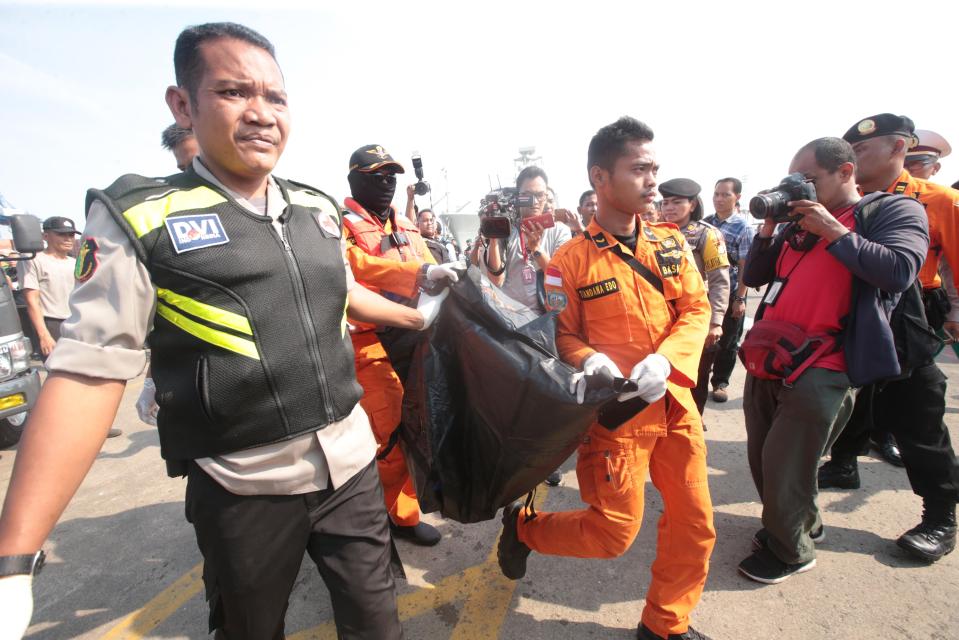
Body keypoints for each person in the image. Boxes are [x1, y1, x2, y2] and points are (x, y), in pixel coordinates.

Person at [0, 22, 450, 639]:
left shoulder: (315, 208)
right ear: (183, 105)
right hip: (244, 489)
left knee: (379, 626)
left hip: (350, 471)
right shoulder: (140, 216)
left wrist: (420, 314)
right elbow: (85, 373)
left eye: (276, 98)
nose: (262, 114)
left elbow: (342, 292)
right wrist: (14, 561)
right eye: (235, 92)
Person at [497, 116, 715, 640]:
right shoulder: (569, 262)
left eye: (654, 168)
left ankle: (665, 624)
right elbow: (563, 335)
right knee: (612, 533)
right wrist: (589, 358)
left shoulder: (670, 244)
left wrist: (666, 360)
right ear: (600, 177)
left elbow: (696, 306)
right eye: (639, 169)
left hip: (675, 403)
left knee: (695, 525)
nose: (652, 180)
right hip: (616, 416)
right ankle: (525, 528)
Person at [738, 136, 928, 583]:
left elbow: (900, 270)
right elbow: (756, 277)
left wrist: (833, 229)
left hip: (828, 362)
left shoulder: (891, 211)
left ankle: (791, 551)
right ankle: (800, 524)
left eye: (808, 179)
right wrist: (771, 225)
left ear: (845, 173)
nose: (798, 189)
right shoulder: (799, 222)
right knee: (765, 458)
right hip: (772, 354)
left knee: (788, 464)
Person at [818, 114, 959, 562]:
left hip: (909, 309)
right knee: (855, 400)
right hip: (849, 307)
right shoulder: (843, 199)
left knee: (916, 411)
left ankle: (940, 516)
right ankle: (843, 465)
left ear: (899, 147)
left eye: (860, 150)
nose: (852, 159)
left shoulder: (936, 199)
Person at [342, 144, 460, 547]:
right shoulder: (337, 226)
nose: (388, 183)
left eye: (392, 175)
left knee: (423, 422)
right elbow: (356, 267)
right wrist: (420, 272)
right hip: (369, 342)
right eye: (377, 176)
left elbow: (428, 265)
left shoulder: (407, 225)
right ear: (355, 180)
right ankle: (397, 516)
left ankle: (406, 499)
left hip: (417, 338)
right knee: (390, 429)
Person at [137, 124, 204, 427]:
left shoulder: (284, 214)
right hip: (209, 398)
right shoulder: (174, 224)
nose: (190, 176)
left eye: (197, 163)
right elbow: (168, 319)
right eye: (183, 167)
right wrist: (152, 378)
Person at [659, 178, 730, 416]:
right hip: (662, 319)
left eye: (676, 202)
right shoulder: (652, 232)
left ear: (692, 204)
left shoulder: (706, 234)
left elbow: (720, 280)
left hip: (695, 319)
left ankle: (692, 423)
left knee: (694, 378)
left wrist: (716, 321)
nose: (669, 207)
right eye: (665, 202)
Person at [479, 165, 572, 311]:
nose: (534, 202)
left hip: (550, 318)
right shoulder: (507, 230)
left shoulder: (561, 231)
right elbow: (496, 281)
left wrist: (537, 250)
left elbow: (563, 279)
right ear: (517, 196)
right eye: (527, 196)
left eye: (540, 195)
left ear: (546, 196)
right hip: (513, 320)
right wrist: (494, 238)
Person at [702, 178, 753, 403]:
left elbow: (745, 266)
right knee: (703, 340)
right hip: (705, 294)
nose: (719, 199)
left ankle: (720, 382)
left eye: (725, 195)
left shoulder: (743, 227)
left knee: (728, 341)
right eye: (716, 194)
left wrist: (740, 298)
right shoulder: (705, 224)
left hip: (731, 293)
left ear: (737, 197)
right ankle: (700, 379)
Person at [18, 216, 81, 359]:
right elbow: (31, 300)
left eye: (71, 235)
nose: (68, 239)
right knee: (60, 372)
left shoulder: (75, 263)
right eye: (61, 234)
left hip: (76, 322)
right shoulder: (33, 259)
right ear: (45, 236)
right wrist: (44, 335)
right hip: (52, 324)